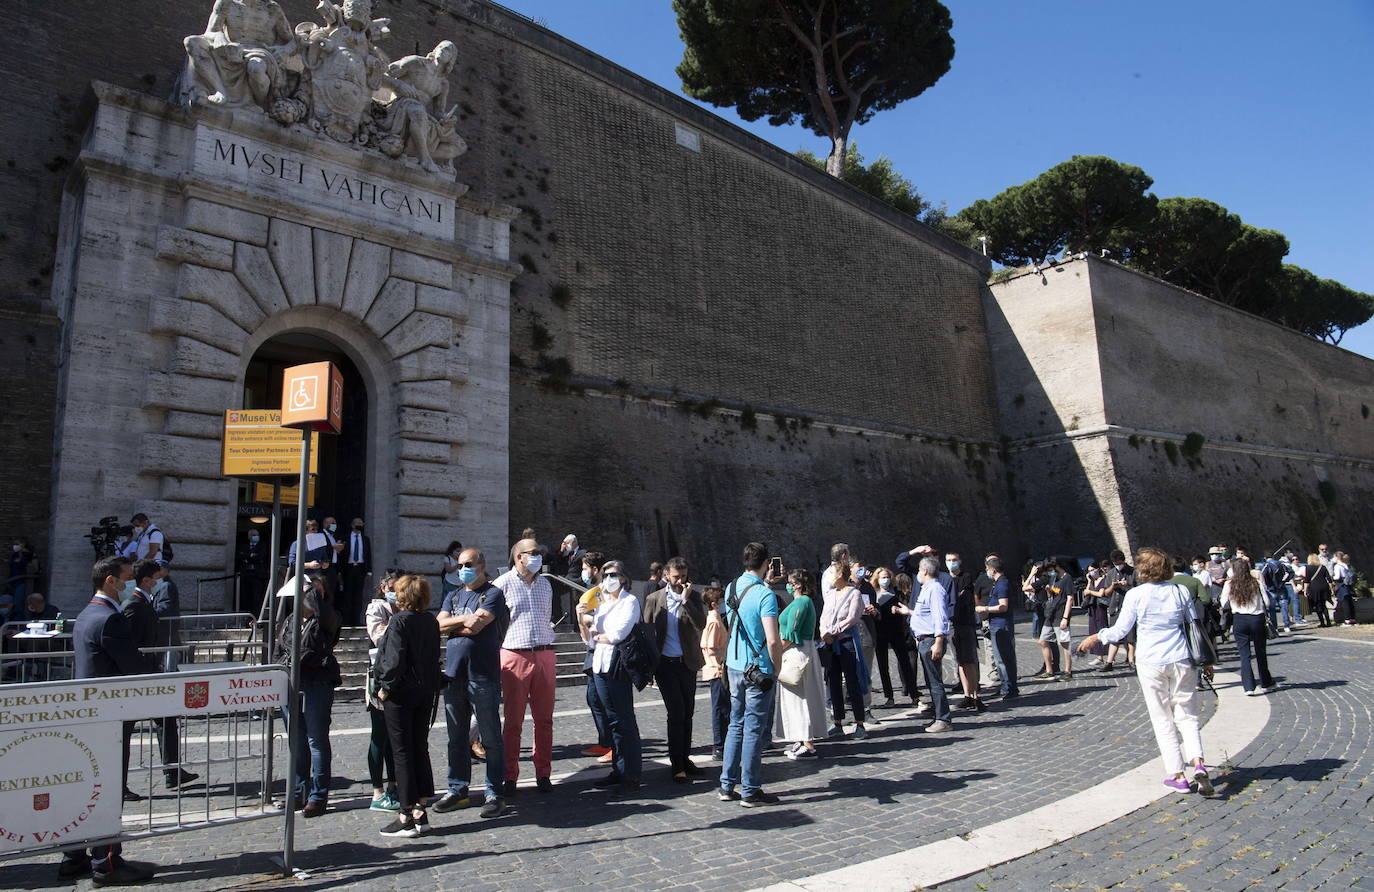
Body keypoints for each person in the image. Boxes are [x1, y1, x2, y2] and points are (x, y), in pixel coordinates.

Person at [1078, 547, 1215, 796]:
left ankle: (1177, 775)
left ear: (1142, 570)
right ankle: (1198, 762)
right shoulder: (1180, 590)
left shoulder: (1136, 595)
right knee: (1188, 714)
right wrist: (1206, 661)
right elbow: (1194, 625)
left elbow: (1120, 632)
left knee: (1162, 718)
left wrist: (1098, 636)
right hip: (1181, 658)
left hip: (1151, 661)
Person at [57, 555, 155, 885]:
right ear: (110, 580)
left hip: (92, 714)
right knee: (108, 788)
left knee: (87, 787)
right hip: (109, 715)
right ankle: (107, 862)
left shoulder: (88, 614)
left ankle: (74, 857)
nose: (131, 583)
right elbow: (132, 666)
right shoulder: (109, 619)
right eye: (127, 577)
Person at [434, 548, 509, 819]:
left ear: (481, 565)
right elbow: (436, 625)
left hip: (483, 675)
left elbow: (476, 626)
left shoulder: (493, 594)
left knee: (490, 738)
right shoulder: (453, 595)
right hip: (453, 674)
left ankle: (494, 793)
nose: (462, 568)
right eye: (460, 564)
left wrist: (455, 625)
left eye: (468, 564)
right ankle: (457, 789)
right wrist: (462, 620)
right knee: (456, 737)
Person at [374, 574, 441, 838]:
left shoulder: (400, 621)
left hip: (401, 693)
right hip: (424, 691)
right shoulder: (430, 621)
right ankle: (421, 810)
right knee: (419, 748)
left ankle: (405, 813)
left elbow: (394, 658)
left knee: (401, 751)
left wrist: (385, 687)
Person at [717, 542, 783, 807]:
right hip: (758, 670)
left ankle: (726, 784)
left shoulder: (731, 587)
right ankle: (750, 790)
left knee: (736, 724)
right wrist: (777, 667)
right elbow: (773, 640)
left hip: (734, 665)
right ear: (767, 563)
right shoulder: (765, 595)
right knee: (754, 728)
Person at [123, 560, 197, 790]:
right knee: (125, 731)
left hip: (153, 673)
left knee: (167, 719)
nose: (159, 583)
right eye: (155, 578)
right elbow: (131, 644)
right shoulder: (134, 605)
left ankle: (172, 771)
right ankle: (120, 785)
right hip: (139, 676)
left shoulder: (146, 601)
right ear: (146, 580)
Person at [495, 537, 556, 794]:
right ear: (519, 557)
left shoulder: (545, 585)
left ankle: (543, 773)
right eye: (533, 553)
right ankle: (510, 776)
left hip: (544, 653)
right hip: (514, 655)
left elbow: (547, 617)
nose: (538, 557)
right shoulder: (501, 585)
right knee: (513, 720)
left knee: (544, 720)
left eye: (539, 552)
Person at [277, 573, 341, 817]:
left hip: (317, 682)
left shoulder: (328, 618)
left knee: (316, 740)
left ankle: (318, 795)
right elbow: (279, 649)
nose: (303, 597)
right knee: (297, 740)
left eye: (312, 592)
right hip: (292, 683)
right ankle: (297, 791)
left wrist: (314, 593)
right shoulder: (291, 620)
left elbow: (326, 619)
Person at [643, 556, 707, 783]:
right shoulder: (654, 599)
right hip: (665, 664)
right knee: (676, 712)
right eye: (676, 576)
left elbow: (701, 624)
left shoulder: (694, 597)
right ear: (666, 575)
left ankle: (685, 758)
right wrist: (649, 667)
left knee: (688, 712)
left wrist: (687, 600)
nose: (680, 580)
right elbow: (647, 632)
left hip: (687, 662)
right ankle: (676, 763)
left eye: (683, 576)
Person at [588, 560, 643, 794]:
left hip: (617, 664)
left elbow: (618, 634)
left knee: (624, 718)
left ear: (622, 577)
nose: (608, 579)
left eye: (613, 575)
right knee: (611, 719)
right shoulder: (600, 604)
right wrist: (585, 623)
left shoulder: (629, 601)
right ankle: (618, 769)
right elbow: (590, 639)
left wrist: (598, 633)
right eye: (605, 575)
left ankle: (631, 772)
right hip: (599, 664)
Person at [894, 557, 953, 732]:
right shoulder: (927, 589)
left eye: (919, 570)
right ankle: (938, 715)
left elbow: (940, 617)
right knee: (931, 680)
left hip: (930, 640)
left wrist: (939, 642)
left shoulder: (934, 589)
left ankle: (943, 719)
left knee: (935, 682)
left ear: (925, 571)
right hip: (924, 640)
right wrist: (908, 612)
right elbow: (926, 614)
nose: (918, 574)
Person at [774, 569, 826, 759]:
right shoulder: (801, 602)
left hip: (798, 651)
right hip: (798, 649)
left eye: (789, 582)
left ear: (796, 584)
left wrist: (775, 650)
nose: (787, 584)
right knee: (795, 698)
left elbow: (792, 632)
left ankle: (808, 743)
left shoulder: (802, 602)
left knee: (801, 697)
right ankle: (801, 739)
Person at [819, 556, 868, 740]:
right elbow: (824, 616)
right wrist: (824, 632)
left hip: (846, 643)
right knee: (833, 682)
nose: (830, 576)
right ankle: (837, 721)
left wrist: (833, 631)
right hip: (831, 643)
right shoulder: (831, 594)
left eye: (832, 572)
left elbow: (853, 617)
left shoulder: (854, 593)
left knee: (852, 681)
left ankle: (860, 723)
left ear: (840, 574)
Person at [363, 573, 401, 814]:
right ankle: (377, 791)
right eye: (392, 587)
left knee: (395, 737)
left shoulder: (404, 607)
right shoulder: (377, 608)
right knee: (379, 735)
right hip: (379, 678)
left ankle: (393, 785)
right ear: (384, 587)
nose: (396, 591)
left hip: (400, 678)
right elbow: (378, 636)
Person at [573, 551, 614, 763]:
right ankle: (605, 741)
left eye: (584, 568)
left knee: (604, 699)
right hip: (592, 649)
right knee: (593, 699)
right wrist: (581, 617)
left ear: (595, 570)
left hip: (604, 651)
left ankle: (613, 745)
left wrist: (589, 617)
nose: (583, 573)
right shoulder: (591, 593)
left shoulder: (605, 592)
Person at [1220, 558, 1275, 696]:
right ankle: (1266, 683)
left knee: (1244, 655)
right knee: (1260, 652)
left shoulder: (1229, 584)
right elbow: (1267, 602)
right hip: (1256, 618)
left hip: (1239, 619)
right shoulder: (1255, 582)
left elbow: (1223, 602)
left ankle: (1248, 686)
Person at [872, 566, 918, 708]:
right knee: (883, 665)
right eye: (882, 577)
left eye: (887, 577)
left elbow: (905, 606)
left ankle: (914, 694)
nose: (885, 580)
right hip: (880, 631)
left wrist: (898, 610)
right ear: (877, 579)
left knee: (905, 662)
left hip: (897, 630)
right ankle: (889, 697)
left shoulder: (897, 593)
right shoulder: (874, 595)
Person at [945, 552, 985, 712]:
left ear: (959, 561)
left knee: (969, 660)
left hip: (965, 624)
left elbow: (961, 597)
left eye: (954, 560)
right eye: (948, 560)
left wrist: (953, 598)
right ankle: (967, 695)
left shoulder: (965, 577)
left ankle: (976, 696)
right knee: (960, 661)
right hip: (952, 624)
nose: (951, 563)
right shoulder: (945, 579)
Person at [975, 557, 1019, 700]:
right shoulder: (999, 583)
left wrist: (985, 608)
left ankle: (1009, 688)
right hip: (997, 624)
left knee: (1003, 658)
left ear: (992, 570)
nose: (987, 572)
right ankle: (1006, 686)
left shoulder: (1002, 585)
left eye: (988, 569)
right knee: (1002, 658)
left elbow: (1003, 606)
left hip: (1001, 625)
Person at [700, 586, 730, 760]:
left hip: (718, 669)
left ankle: (722, 743)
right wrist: (724, 657)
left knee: (723, 708)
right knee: (720, 709)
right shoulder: (714, 621)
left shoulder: (716, 618)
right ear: (715, 604)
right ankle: (719, 746)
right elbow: (711, 648)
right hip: (717, 670)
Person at [1035, 559, 1075, 681]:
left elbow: (1070, 598)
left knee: (1064, 643)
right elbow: (1055, 593)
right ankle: (1049, 670)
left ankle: (1068, 671)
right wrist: (1049, 591)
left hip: (1060, 614)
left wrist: (1065, 617)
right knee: (1043, 640)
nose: (1050, 573)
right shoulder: (1054, 578)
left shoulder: (1067, 578)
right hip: (1050, 613)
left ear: (1056, 567)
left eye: (1050, 570)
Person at [1100, 551, 1136, 670]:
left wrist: (1127, 584)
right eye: (1115, 563)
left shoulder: (1132, 571)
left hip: (1129, 608)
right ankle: (1109, 662)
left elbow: (1138, 590)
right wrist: (1113, 586)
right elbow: (1106, 592)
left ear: (1123, 561)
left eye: (1119, 563)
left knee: (1131, 637)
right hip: (1114, 607)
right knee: (1114, 636)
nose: (1117, 565)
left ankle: (1131, 661)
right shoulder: (1111, 573)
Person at [340, 517, 372, 626]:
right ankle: (346, 621)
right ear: (352, 525)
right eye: (356, 523)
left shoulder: (365, 539)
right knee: (347, 595)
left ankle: (356, 620)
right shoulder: (345, 538)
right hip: (348, 569)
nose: (359, 525)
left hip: (360, 569)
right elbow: (341, 555)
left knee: (358, 596)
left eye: (360, 523)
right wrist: (340, 571)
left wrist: (369, 571)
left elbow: (368, 555)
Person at [235, 526, 271, 619]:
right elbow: (239, 556)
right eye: (253, 535)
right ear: (249, 537)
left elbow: (261, 557)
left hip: (257, 576)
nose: (256, 536)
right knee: (246, 598)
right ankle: (247, 619)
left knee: (256, 599)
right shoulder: (243, 546)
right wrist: (251, 556)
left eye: (257, 535)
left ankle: (256, 619)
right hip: (246, 576)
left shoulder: (262, 546)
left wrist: (248, 557)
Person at [1081, 560, 1111, 668]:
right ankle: (1099, 656)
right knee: (1093, 630)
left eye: (1092, 570)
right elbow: (1086, 591)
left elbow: (1101, 593)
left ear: (1098, 569)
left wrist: (1090, 592)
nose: (1091, 572)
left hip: (1100, 607)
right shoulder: (1092, 581)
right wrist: (1089, 581)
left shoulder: (1103, 580)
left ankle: (1106, 656)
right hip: (1092, 607)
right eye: (1089, 571)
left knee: (1101, 630)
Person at [1306, 553, 1333, 627]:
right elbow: (1329, 579)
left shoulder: (1308, 568)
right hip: (1324, 587)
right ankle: (1328, 622)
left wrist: (1305, 590)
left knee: (1317, 605)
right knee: (1324, 605)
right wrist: (1331, 588)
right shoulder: (1322, 567)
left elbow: (1307, 580)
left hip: (1314, 588)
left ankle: (1322, 622)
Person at [1332, 551, 1356, 626]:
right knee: (1349, 602)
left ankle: (1347, 620)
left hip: (1341, 585)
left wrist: (1332, 577)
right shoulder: (1345, 565)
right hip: (1347, 585)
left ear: (1337, 557)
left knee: (1344, 603)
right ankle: (1352, 619)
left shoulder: (1337, 566)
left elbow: (1337, 576)